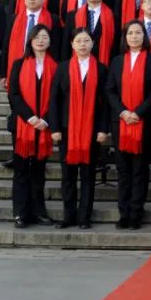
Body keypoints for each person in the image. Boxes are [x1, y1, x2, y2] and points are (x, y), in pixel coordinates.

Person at [50, 27, 109, 229]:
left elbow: (105, 102)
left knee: (88, 176)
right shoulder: (62, 67)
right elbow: (54, 99)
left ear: (93, 44)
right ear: (72, 45)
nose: (82, 44)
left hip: (91, 129)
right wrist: (55, 128)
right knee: (68, 176)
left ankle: (84, 217)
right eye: (78, 41)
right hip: (67, 129)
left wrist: (103, 129)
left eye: (86, 41)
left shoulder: (101, 69)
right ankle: (69, 216)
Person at [105, 21, 151, 230]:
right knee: (123, 170)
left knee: (139, 169)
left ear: (144, 36)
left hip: (143, 122)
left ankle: (136, 213)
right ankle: (124, 213)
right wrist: (123, 112)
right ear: (125, 37)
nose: (134, 36)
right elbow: (110, 90)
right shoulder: (117, 61)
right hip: (120, 121)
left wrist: (137, 113)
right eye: (130, 33)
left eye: (138, 32)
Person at [8, 24, 57, 227]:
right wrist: (30, 117)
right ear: (30, 40)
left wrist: (45, 119)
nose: (40, 40)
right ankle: (20, 213)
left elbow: (58, 97)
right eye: (36, 37)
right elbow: (13, 94)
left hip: (44, 125)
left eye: (44, 37)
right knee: (21, 170)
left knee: (38, 171)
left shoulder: (56, 66)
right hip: (22, 124)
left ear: (50, 41)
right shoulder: (19, 64)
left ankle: (39, 212)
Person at [63, 0, 117, 65]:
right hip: (77, 65)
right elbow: (66, 44)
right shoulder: (72, 16)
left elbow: (115, 45)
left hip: (104, 65)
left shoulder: (113, 17)